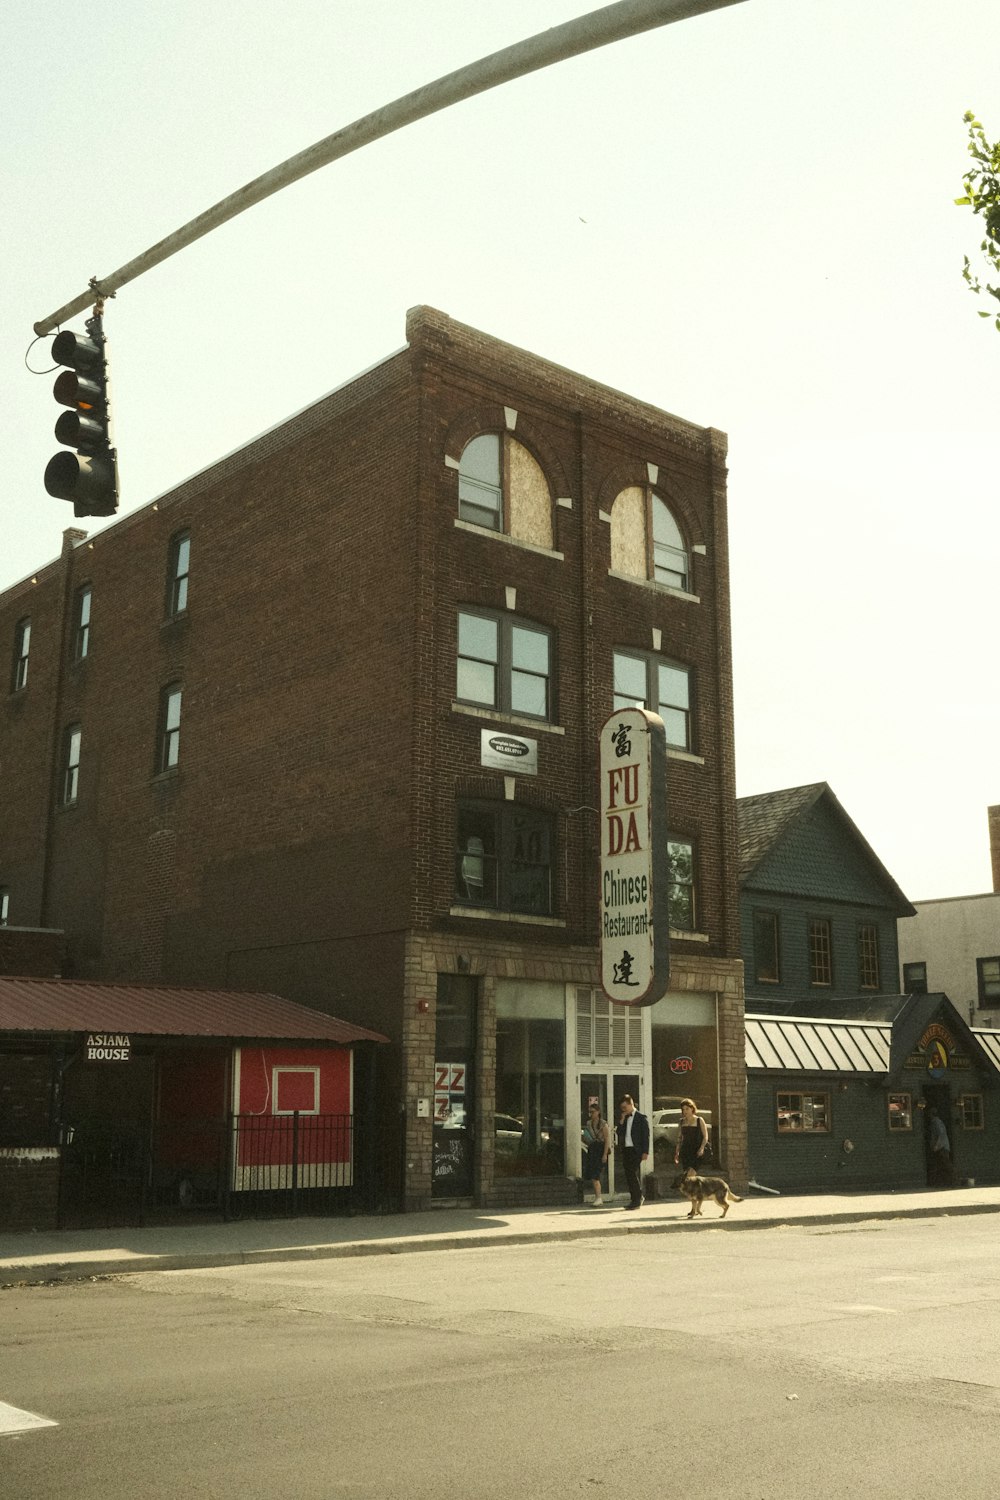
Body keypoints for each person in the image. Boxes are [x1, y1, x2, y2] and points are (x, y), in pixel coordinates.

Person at [616, 1094, 649, 1210]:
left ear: (631, 1104)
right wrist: (621, 1120)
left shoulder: (641, 1118)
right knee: (628, 1174)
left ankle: (637, 1199)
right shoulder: (624, 1118)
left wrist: (646, 1151)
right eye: (622, 1108)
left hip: (637, 1150)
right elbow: (619, 1133)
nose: (623, 1110)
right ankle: (635, 1197)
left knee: (632, 1172)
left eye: (625, 1107)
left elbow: (646, 1136)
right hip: (627, 1149)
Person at [583, 1103, 612, 1207]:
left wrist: (604, 1154)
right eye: (590, 1112)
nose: (591, 1114)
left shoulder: (603, 1124)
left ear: (598, 1112)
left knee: (596, 1174)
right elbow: (587, 1136)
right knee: (592, 1173)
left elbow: (607, 1139)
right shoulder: (589, 1123)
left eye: (593, 1112)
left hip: (600, 1149)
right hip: (592, 1148)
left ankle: (599, 1197)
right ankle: (597, 1197)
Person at [674, 1097, 709, 1172]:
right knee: (686, 1174)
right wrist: (677, 1152)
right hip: (686, 1151)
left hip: (696, 1151)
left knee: (692, 1173)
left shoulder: (699, 1120)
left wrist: (702, 1148)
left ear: (692, 1109)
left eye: (687, 1109)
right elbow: (679, 1138)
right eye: (683, 1109)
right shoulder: (682, 1121)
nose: (685, 1111)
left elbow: (705, 1136)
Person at [927, 1107, 953, 1187]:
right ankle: (944, 1182)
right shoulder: (937, 1122)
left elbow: (940, 1135)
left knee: (946, 1165)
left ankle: (953, 1181)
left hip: (942, 1148)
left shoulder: (936, 1123)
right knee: (941, 1165)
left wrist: (936, 1146)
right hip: (941, 1147)